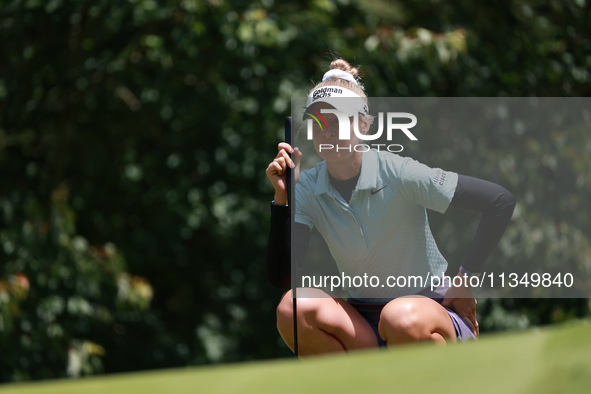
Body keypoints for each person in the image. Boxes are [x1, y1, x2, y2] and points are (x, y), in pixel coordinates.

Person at [265, 59, 516, 356]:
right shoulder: (306, 186)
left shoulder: (399, 172)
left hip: (428, 312)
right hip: (364, 323)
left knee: (400, 317)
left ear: (365, 124)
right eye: (318, 120)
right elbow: (283, 278)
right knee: (291, 309)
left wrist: (464, 281)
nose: (327, 130)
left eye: (338, 120)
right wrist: (283, 199)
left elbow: (499, 201)